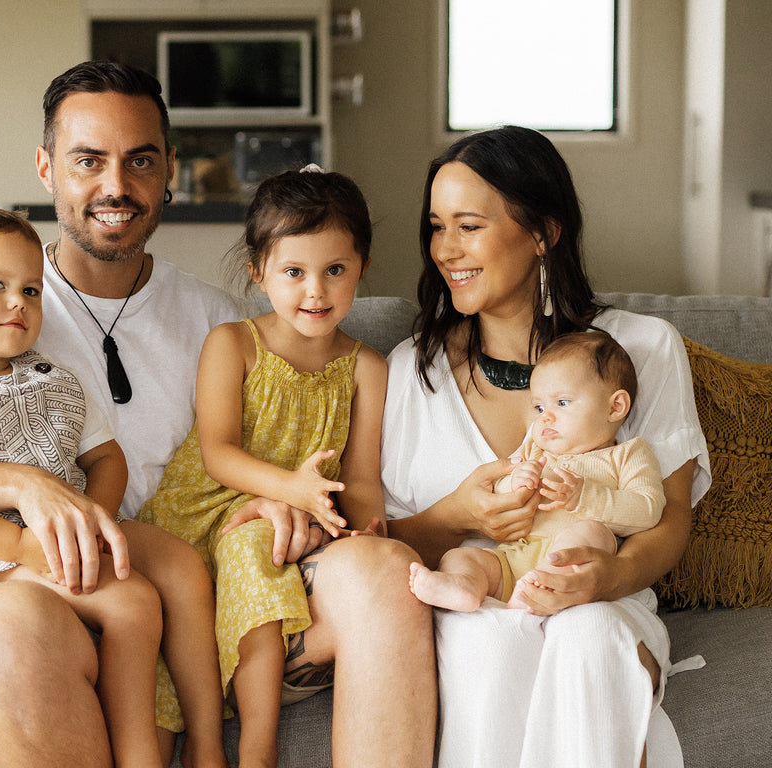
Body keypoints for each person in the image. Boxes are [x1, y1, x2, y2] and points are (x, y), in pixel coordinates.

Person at [0, 60, 436, 768]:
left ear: (170, 167)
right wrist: (19, 485)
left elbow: (272, 450)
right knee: (5, 633)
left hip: (208, 603)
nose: (116, 186)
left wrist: (278, 503)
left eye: (140, 160)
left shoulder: (221, 321)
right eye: (88, 160)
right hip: (45, 599)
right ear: (47, 167)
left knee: (386, 573)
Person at [380, 125, 711, 768]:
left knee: (588, 634)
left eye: (468, 226)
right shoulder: (407, 372)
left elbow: (670, 519)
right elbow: (386, 542)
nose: (446, 249)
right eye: (436, 226)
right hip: (477, 600)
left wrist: (609, 576)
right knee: (488, 645)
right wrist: (457, 517)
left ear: (542, 233)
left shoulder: (642, 349)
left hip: (605, 600)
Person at [0, 206, 229, 767]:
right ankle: (140, 750)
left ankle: (205, 737)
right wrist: (20, 547)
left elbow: (106, 457)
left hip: (78, 528)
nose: (18, 301)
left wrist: (93, 521)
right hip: (3, 557)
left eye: (31, 290)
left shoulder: (53, 378)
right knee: (135, 602)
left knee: (181, 563)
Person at [139, 167, 387, 767]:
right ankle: (232, 742)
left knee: (265, 549)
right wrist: (292, 489)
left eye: (335, 270)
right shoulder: (234, 343)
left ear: (362, 269)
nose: (316, 292)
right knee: (154, 715)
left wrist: (363, 529)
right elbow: (219, 452)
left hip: (287, 517)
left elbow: (360, 479)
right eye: (293, 272)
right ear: (259, 274)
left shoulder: (367, 369)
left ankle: (257, 744)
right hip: (198, 512)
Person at [409, 330, 666, 612]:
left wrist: (587, 497)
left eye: (563, 403)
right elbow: (500, 492)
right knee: (461, 556)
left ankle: (537, 591)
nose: (546, 416)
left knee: (593, 533)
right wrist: (514, 483)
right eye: (540, 406)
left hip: (569, 570)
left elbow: (649, 509)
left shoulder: (628, 454)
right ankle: (464, 586)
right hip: (514, 558)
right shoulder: (535, 448)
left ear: (615, 406)